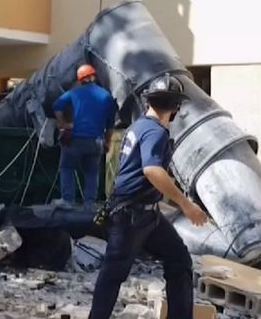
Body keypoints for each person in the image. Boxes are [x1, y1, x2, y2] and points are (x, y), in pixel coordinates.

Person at [89, 74, 208, 319]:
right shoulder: (155, 132)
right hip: (132, 215)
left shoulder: (138, 127)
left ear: (148, 102)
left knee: (179, 260)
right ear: (175, 108)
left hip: (146, 214)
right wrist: (186, 204)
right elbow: (151, 170)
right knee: (113, 274)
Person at [52, 64, 118, 207]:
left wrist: (64, 124)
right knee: (92, 172)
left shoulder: (74, 92)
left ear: (80, 79)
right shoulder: (106, 96)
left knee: (67, 168)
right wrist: (107, 142)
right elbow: (110, 124)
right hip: (96, 141)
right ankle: (89, 203)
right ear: (94, 76)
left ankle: (68, 201)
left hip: (75, 139)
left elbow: (56, 106)